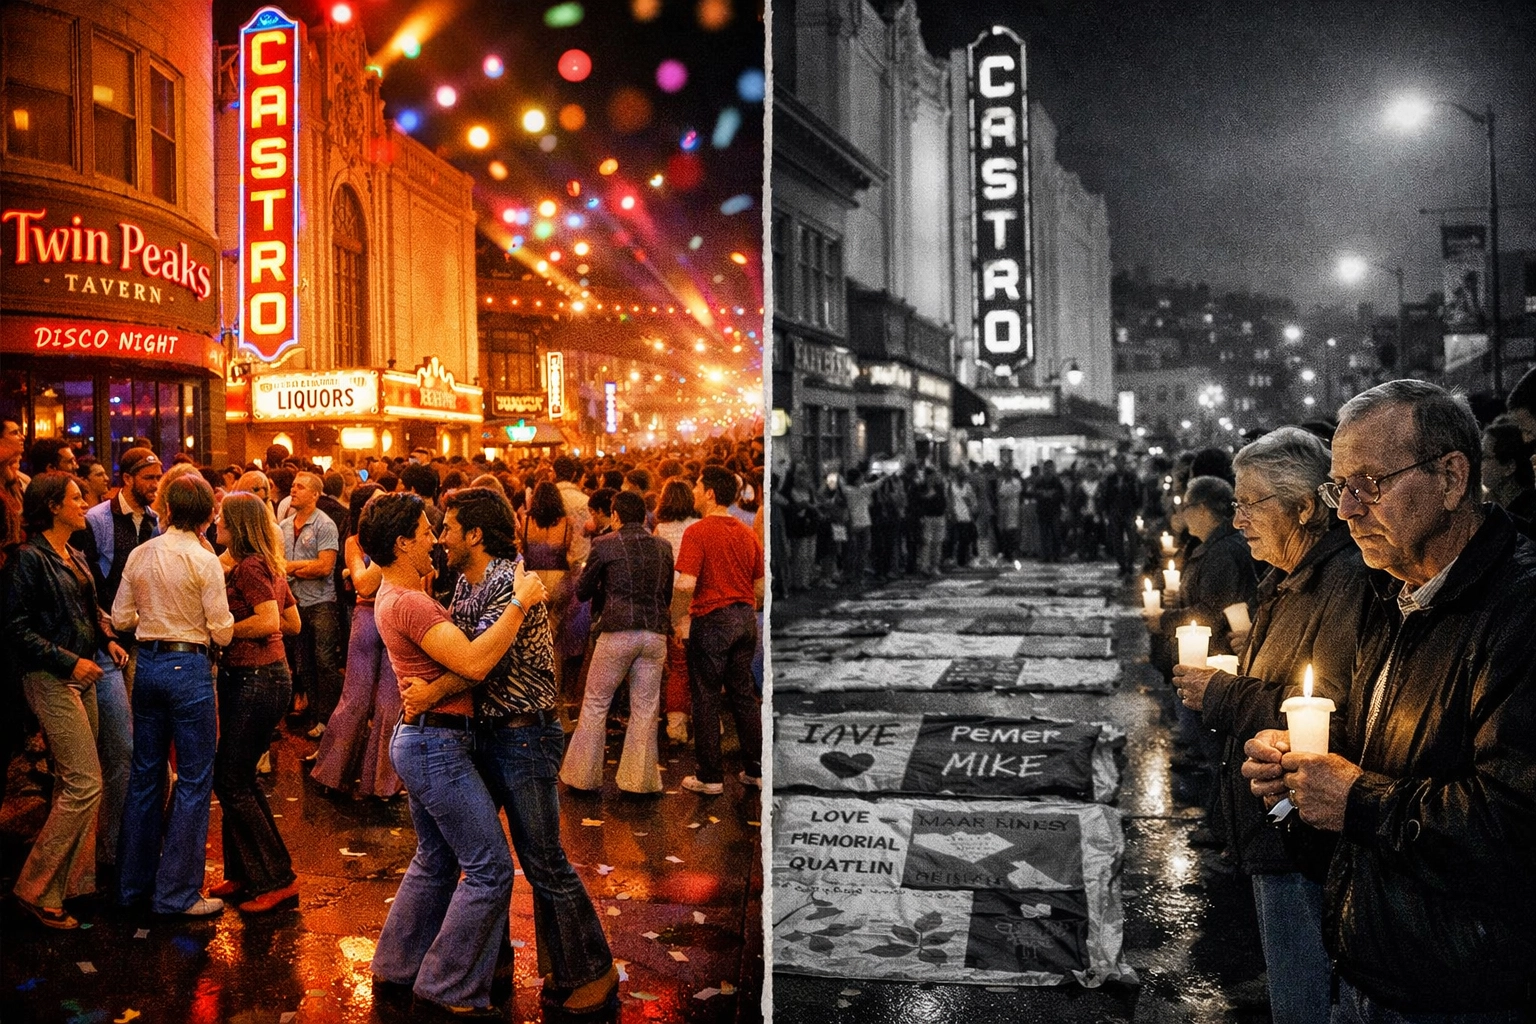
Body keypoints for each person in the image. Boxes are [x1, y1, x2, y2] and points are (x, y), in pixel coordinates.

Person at [1242, 380, 1536, 1020]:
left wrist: (1355, 799)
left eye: (1368, 485)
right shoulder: (1392, 593)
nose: (1347, 510)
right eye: (1338, 488)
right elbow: (1389, 753)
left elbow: (1515, 819)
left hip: (1466, 988)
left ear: (1451, 478)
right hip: (1375, 962)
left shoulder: (1520, 609)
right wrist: (1302, 768)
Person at [1169, 428, 1380, 1024]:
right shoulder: (1290, 578)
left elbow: (1328, 708)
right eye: (1235, 505)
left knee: (1305, 996)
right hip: (1276, 820)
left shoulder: (1343, 581)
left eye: (1251, 504)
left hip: (1301, 834)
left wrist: (1225, 693)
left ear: (1305, 507)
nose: (1238, 521)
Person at [401, 486, 619, 1015]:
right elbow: (461, 652)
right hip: (487, 734)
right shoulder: (465, 583)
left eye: (449, 527)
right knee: (483, 857)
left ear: (475, 534)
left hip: (524, 736)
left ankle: (592, 969)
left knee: (543, 860)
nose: (441, 537)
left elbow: (479, 663)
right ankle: (491, 963)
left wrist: (430, 693)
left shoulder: (507, 582)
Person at [359, 492, 545, 1016]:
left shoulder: (397, 595)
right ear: (402, 543)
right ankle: (447, 986)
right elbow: (474, 662)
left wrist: (433, 690)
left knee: (436, 859)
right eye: (425, 531)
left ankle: (397, 964)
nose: (434, 540)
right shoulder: (409, 601)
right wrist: (519, 603)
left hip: (426, 738)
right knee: (490, 869)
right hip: (436, 745)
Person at [6, 473, 129, 928]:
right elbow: (15, 628)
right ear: (53, 507)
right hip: (51, 677)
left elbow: (87, 609)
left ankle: (72, 884)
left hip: (83, 671)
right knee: (85, 783)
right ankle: (35, 890)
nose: (85, 505)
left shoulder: (72, 554)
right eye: (77, 498)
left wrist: (106, 638)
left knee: (71, 784)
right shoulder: (28, 559)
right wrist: (69, 662)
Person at [112, 474, 234, 916]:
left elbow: (121, 617)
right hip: (189, 668)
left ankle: (132, 887)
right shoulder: (204, 560)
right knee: (194, 780)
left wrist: (153, 618)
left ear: (165, 508)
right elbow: (222, 629)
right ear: (206, 515)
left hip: (148, 665)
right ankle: (177, 894)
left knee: (146, 776)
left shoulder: (141, 554)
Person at [210, 493, 302, 913]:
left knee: (230, 778)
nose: (216, 523)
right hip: (267, 676)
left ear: (238, 525)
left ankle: (277, 878)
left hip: (254, 678)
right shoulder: (267, 564)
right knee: (240, 776)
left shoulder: (249, 566)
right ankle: (245, 872)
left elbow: (269, 621)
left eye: (222, 519)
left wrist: (224, 630)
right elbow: (291, 622)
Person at [563, 490, 672, 793]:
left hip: (616, 630)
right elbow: (666, 594)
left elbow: (583, 591)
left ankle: (582, 778)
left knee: (596, 703)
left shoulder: (604, 544)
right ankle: (640, 782)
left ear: (615, 515)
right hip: (654, 632)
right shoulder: (663, 546)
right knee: (645, 708)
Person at [675, 466, 764, 795]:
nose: (694, 491)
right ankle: (756, 770)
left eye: (698, 486)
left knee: (706, 696)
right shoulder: (746, 532)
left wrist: (676, 617)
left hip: (711, 620)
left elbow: (686, 584)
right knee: (744, 695)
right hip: (745, 619)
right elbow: (760, 587)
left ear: (710, 493)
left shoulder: (697, 532)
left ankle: (710, 776)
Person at [311, 484, 403, 798]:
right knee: (356, 696)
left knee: (389, 702)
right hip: (368, 616)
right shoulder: (356, 541)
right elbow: (363, 585)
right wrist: (385, 549)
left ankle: (381, 783)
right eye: (377, 503)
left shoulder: (402, 538)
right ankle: (334, 774)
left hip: (395, 615)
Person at [281, 472, 342, 734]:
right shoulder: (284, 526)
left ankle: (330, 719)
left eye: (301, 487)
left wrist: (292, 568)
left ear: (315, 494)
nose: (293, 490)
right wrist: (305, 567)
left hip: (321, 603)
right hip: (295, 603)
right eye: (293, 486)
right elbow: (279, 565)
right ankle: (316, 715)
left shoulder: (325, 525)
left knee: (324, 661)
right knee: (303, 663)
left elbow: (325, 567)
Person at [654, 480, 700, 743]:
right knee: (703, 666)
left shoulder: (660, 529)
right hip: (697, 599)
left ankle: (675, 725)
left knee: (678, 666)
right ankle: (707, 722)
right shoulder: (699, 525)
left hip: (672, 601)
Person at [1481, 418, 1536, 528]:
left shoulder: (1528, 516)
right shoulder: (1492, 504)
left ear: (1509, 467)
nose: (1477, 462)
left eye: (1484, 457)